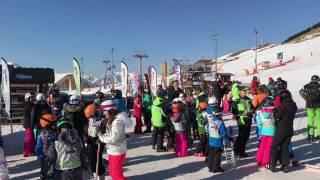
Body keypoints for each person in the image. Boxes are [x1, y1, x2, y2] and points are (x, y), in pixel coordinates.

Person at [97, 100, 131, 180]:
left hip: (117, 150)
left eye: (104, 111)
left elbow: (113, 138)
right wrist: (100, 133)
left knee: (116, 173)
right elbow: (110, 134)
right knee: (112, 172)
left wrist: (101, 137)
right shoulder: (111, 120)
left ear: (110, 110)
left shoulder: (117, 121)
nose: (103, 113)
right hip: (113, 149)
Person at [269, 90, 297, 173]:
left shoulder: (283, 106)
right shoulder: (293, 105)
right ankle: (285, 166)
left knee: (274, 146)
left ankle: (272, 165)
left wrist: (274, 109)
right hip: (289, 129)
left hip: (281, 129)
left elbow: (277, 116)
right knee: (284, 147)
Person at [85, 103, 106, 179]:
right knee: (92, 159)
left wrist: (99, 134)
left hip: (98, 142)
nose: (89, 118)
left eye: (90, 116)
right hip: (91, 141)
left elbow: (104, 131)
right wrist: (86, 138)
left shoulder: (102, 121)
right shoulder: (91, 120)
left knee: (98, 159)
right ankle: (95, 173)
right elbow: (88, 129)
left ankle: (100, 174)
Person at [35, 113, 57, 179]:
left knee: (54, 173)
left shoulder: (53, 132)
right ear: (48, 124)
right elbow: (38, 148)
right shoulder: (42, 135)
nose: (55, 125)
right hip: (46, 159)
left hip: (54, 158)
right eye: (53, 123)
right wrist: (43, 158)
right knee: (48, 173)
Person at [206, 106, 228, 173]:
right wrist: (226, 139)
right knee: (217, 155)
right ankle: (216, 168)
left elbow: (208, 129)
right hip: (218, 141)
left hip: (211, 140)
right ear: (220, 114)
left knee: (211, 154)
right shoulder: (220, 122)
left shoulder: (211, 121)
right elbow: (223, 133)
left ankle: (210, 167)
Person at [234, 86, 254, 158]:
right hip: (241, 121)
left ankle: (242, 151)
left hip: (248, 120)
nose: (246, 92)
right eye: (244, 90)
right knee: (241, 136)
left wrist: (251, 111)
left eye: (246, 90)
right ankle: (236, 152)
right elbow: (234, 111)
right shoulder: (236, 100)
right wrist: (243, 112)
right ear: (240, 92)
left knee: (246, 136)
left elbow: (252, 109)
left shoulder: (248, 99)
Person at [299, 75, 320, 143]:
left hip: (309, 106)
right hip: (318, 106)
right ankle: (319, 135)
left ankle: (311, 135)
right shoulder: (319, 86)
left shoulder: (306, 86)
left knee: (310, 120)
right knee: (318, 120)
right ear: (317, 80)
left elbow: (301, 92)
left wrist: (306, 99)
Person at [256, 96, 275, 168]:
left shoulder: (260, 113)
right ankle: (265, 161)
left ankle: (259, 159)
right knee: (268, 147)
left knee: (262, 146)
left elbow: (259, 124)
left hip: (263, 131)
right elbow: (275, 121)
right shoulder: (273, 112)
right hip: (271, 132)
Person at [23, 92, 36, 157]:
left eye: (33, 97)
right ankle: (27, 152)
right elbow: (32, 113)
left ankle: (31, 151)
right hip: (28, 124)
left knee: (32, 138)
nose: (32, 99)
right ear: (27, 99)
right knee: (29, 139)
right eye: (31, 98)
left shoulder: (32, 105)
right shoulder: (28, 106)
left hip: (32, 124)